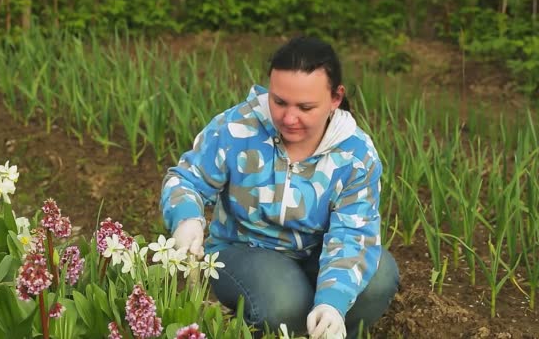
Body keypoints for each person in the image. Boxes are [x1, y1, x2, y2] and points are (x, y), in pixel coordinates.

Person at [160, 36, 399, 338]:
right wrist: (186, 218)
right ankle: (268, 326)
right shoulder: (238, 127)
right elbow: (186, 178)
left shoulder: (355, 155)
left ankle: (330, 330)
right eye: (279, 101)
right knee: (286, 304)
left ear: (336, 98)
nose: (288, 118)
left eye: (305, 107)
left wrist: (333, 303)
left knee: (379, 276)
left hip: (317, 253)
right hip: (243, 249)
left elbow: (353, 233)